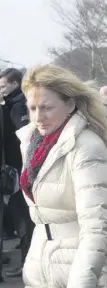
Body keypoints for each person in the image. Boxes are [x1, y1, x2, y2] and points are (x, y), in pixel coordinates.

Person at [16, 64, 107, 287]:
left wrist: (83, 280)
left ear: (70, 104)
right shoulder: (32, 142)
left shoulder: (87, 146)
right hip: (46, 262)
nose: (38, 117)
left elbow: (96, 226)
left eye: (46, 108)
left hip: (92, 269)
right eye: (32, 108)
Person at [0, 68, 34, 278]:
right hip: (18, 168)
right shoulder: (14, 104)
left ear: (15, 84)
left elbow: (23, 138)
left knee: (23, 217)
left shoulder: (18, 106)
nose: (1, 89)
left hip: (20, 168)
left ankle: (26, 261)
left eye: (3, 85)